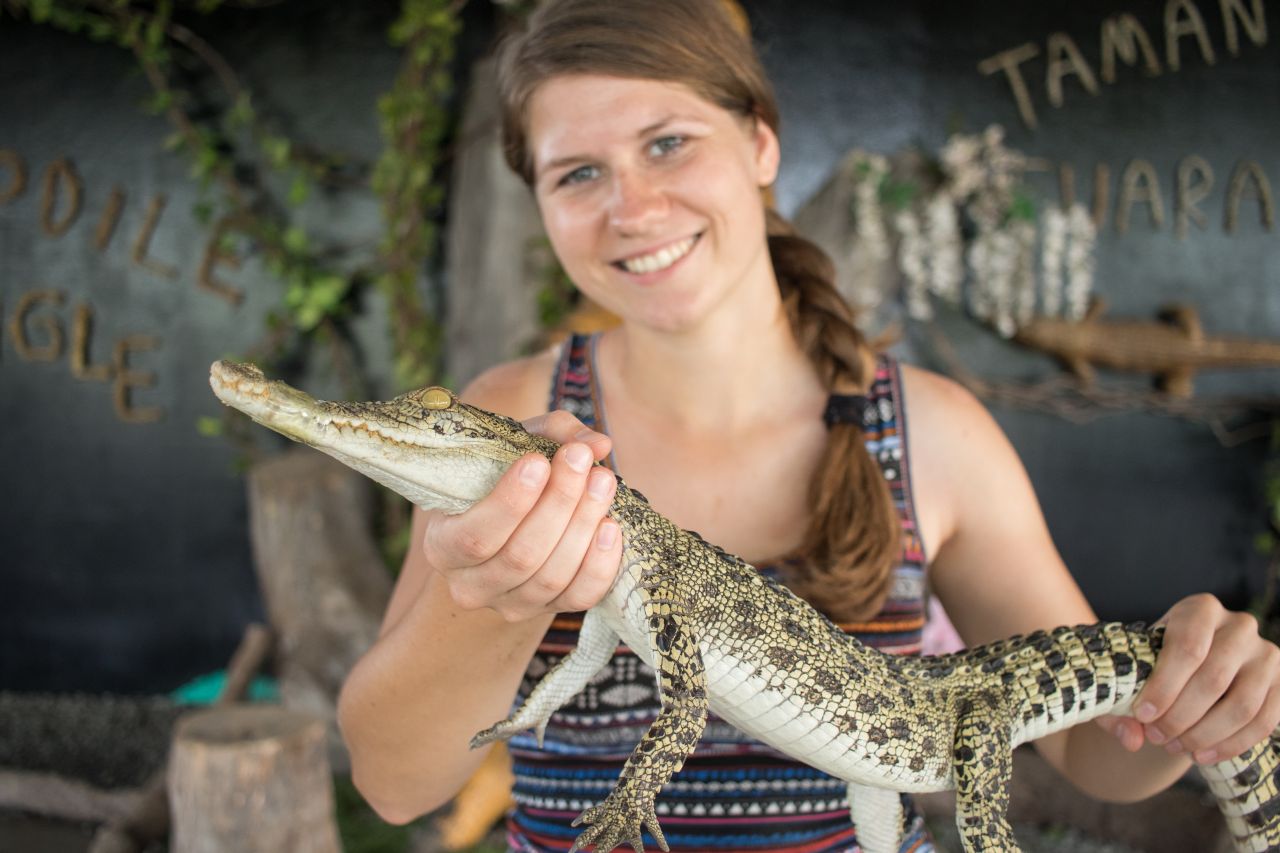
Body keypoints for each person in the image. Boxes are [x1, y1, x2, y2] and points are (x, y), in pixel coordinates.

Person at [337, 1, 1280, 850]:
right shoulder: (504, 423)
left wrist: (1198, 698)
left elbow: (1095, 750)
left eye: (668, 143)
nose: (634, 208)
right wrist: (490, 594)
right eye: (579, 173)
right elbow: (394, 785)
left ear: (761, 143)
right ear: (539, 203)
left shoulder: (935, 432)